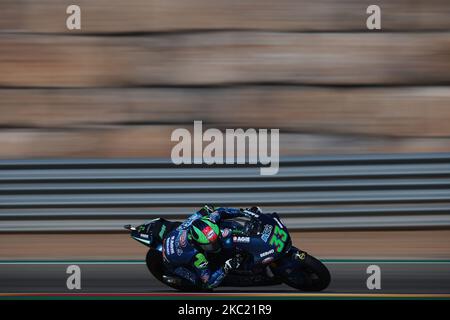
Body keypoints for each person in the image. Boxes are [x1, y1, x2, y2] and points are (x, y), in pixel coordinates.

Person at [161, 204, 261, 289]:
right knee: (201, 285)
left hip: (176, 233)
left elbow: (221, 211)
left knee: (212, 211)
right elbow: (208, 282)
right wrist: (226, 266)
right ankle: (178, 278)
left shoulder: (209, 219)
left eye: (215, 241)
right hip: (171, 261)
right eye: (210, 245)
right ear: (198, 244)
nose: (216, 246)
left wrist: (244, 213)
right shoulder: (197, 257)